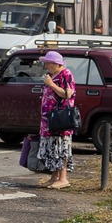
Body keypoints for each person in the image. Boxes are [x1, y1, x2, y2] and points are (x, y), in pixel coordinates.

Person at [37, 49, 76, 190]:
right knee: (52, 148)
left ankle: (63, 178)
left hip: (60, 119)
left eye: (48, 63)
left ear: (56, 64)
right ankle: (54, 177)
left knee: (61, 148)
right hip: (49, 119)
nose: (46, 66)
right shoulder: (52, 75)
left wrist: (51, 84)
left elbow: (67, 94)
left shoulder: (66, 74)